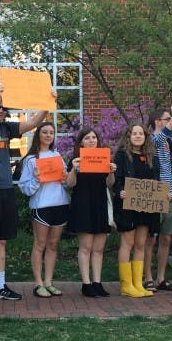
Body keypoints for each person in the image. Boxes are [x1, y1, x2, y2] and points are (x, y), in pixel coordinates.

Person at [0, 83, 49, 303]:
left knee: (2, 240)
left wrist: (47, 102)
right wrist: (0, 97)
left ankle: (1, 285)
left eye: (3, 108)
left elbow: (34, 122)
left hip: (6, 189)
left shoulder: (7, 128)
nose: (0, 111)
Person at [17, 122, 70, 298]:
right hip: (41, 206)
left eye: (51, 133)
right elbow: (24, 187)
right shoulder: (31, 159)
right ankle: (38, 283)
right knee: (40, 244)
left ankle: (49, 282)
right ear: (38, 134)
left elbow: (65, 183)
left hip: (60, 204)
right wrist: (37, 180)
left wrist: (65, 178)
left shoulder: (57, 156)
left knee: (53, 245)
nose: (48, 135)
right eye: (45, 132)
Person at [65, 127, 115, 297]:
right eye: (87, 138)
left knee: (99, 248)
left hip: (100, 204)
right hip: (83, 205)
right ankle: (86, 284)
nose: (92, 140)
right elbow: (70, 184)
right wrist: (73, 169)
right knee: (86, 247)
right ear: (81, 142)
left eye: (94, 137)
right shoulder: (75, 160)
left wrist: (111, 172)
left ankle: (97, 282)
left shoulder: (103, 159)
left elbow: (109, 183)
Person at [112, 123, 162, 298]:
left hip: (146, 207)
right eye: (135, 133)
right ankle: (126, 285)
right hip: (127, 204)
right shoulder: (121, 156)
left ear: (145, 137)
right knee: (128, 242)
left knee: (141, 244)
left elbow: (156, 180)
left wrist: (164, 195)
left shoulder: (151, 157)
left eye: (141, 133)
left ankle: (137, 283)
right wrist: (120, 191)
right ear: (129, 136)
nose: (138, 136)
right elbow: (115, 179)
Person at [144, 104, 172, 291]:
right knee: (150, 238)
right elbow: (159, 140)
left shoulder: (170, 141)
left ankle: (161, 278)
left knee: (166, 239)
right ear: (157, 121)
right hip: (153, 193)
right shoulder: (149, 139)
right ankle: (147, 277)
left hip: (171, 195)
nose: (171, 121)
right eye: (167, 118)